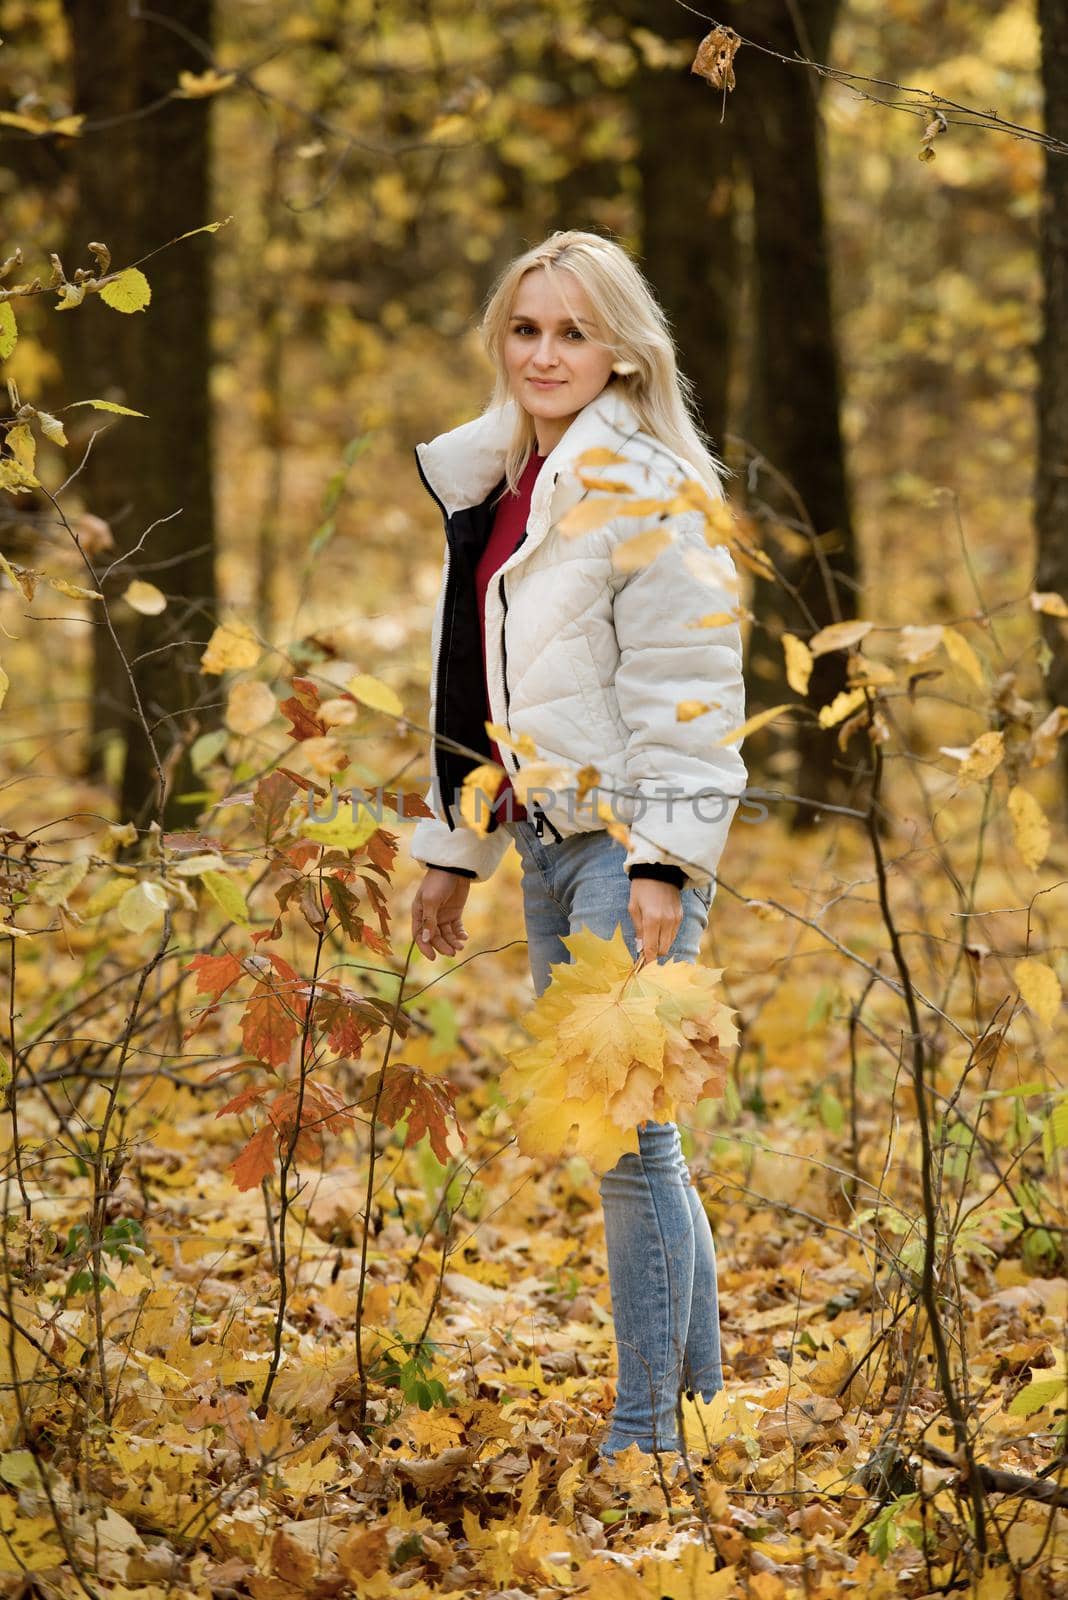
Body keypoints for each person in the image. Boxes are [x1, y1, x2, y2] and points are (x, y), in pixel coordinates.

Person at [406, 229, 748, 1461]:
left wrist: (664, 857)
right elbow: (474, 681)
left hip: (624, 842)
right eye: (525, 328)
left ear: (621, 351)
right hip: (548, 843)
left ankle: (646, 1433)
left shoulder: (645, 486)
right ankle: (699, 1415)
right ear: (501, 340)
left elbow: (692, 688)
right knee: (637, 1137)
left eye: (573, 331)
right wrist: (456, 844)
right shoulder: (496, 478)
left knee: (621, 1138)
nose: (545, 353)